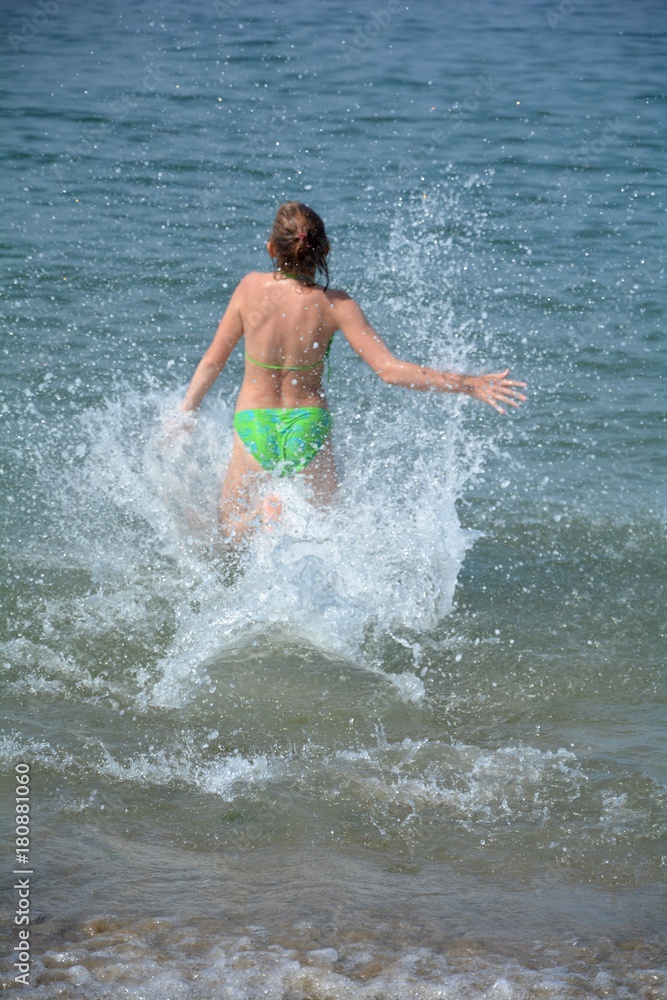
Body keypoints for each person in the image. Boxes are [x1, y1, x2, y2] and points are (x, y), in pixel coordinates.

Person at [179, 201, 526, 543]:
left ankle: (262, 514)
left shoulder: (249, 288)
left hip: (254, 421)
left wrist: (184, 414)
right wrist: (467, 384)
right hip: (309, 426)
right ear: (324, 249)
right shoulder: (337, 304)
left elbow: (213, 361)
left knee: (230, 531)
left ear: (271, 248)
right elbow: (390, 371)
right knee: (328, 533)